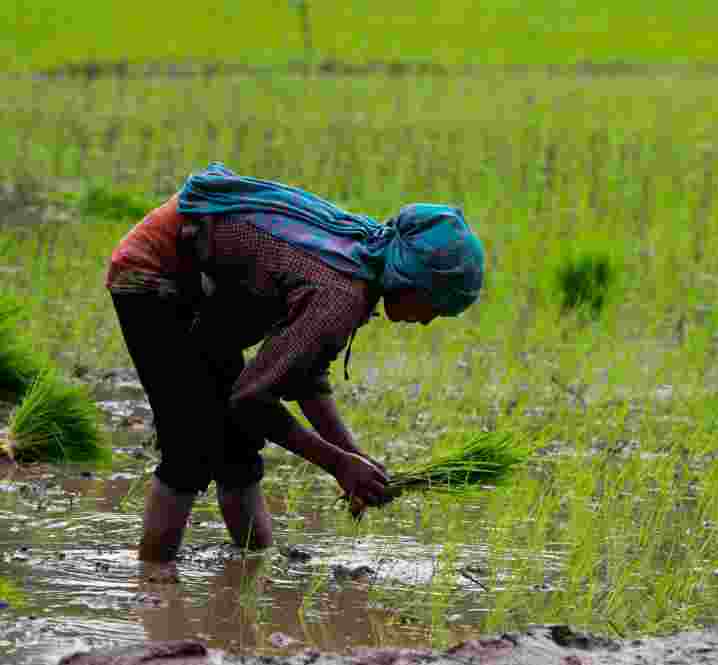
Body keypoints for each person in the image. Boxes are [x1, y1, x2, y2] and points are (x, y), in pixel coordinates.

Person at [105, 162, 485, 563]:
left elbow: (305, 374)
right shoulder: (341, 292)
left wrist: (353, 457)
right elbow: (251, 400)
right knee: (190, 448)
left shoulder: (367, 254)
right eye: (434, 307)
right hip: (152, 273)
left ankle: (253, 571)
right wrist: (338, 464)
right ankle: (154, 587)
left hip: (202, 278)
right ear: (410, 279)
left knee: (237, 445)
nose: (426, 321)